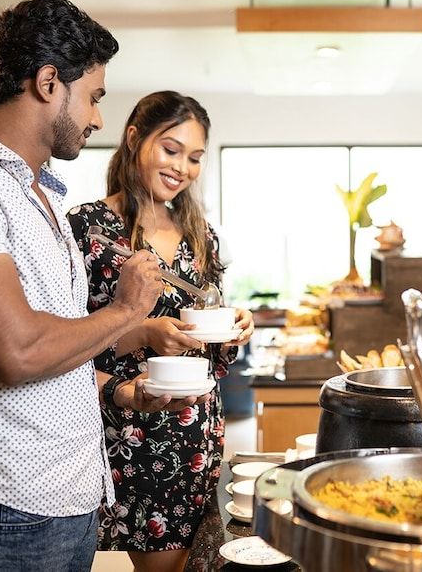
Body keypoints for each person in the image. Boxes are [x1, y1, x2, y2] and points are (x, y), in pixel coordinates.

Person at [0, 0, 203, 572]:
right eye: (92, 97)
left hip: (69, 494)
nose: (96, 119)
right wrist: (126, 310)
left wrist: (129, 376)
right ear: (47, 83)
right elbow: (17, 352)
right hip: (6, 507)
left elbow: (65, 343)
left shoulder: (43, 199)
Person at [67, 90, 254, 572]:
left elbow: (210, 336)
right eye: (171, 150)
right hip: (131, 426)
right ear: (134, 139)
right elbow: (64, 342)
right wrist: (143, 333)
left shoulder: (200, 234)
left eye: (194, 158)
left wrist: (233, 327)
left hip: (199, 431)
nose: (183, 167)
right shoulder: (89, 228)